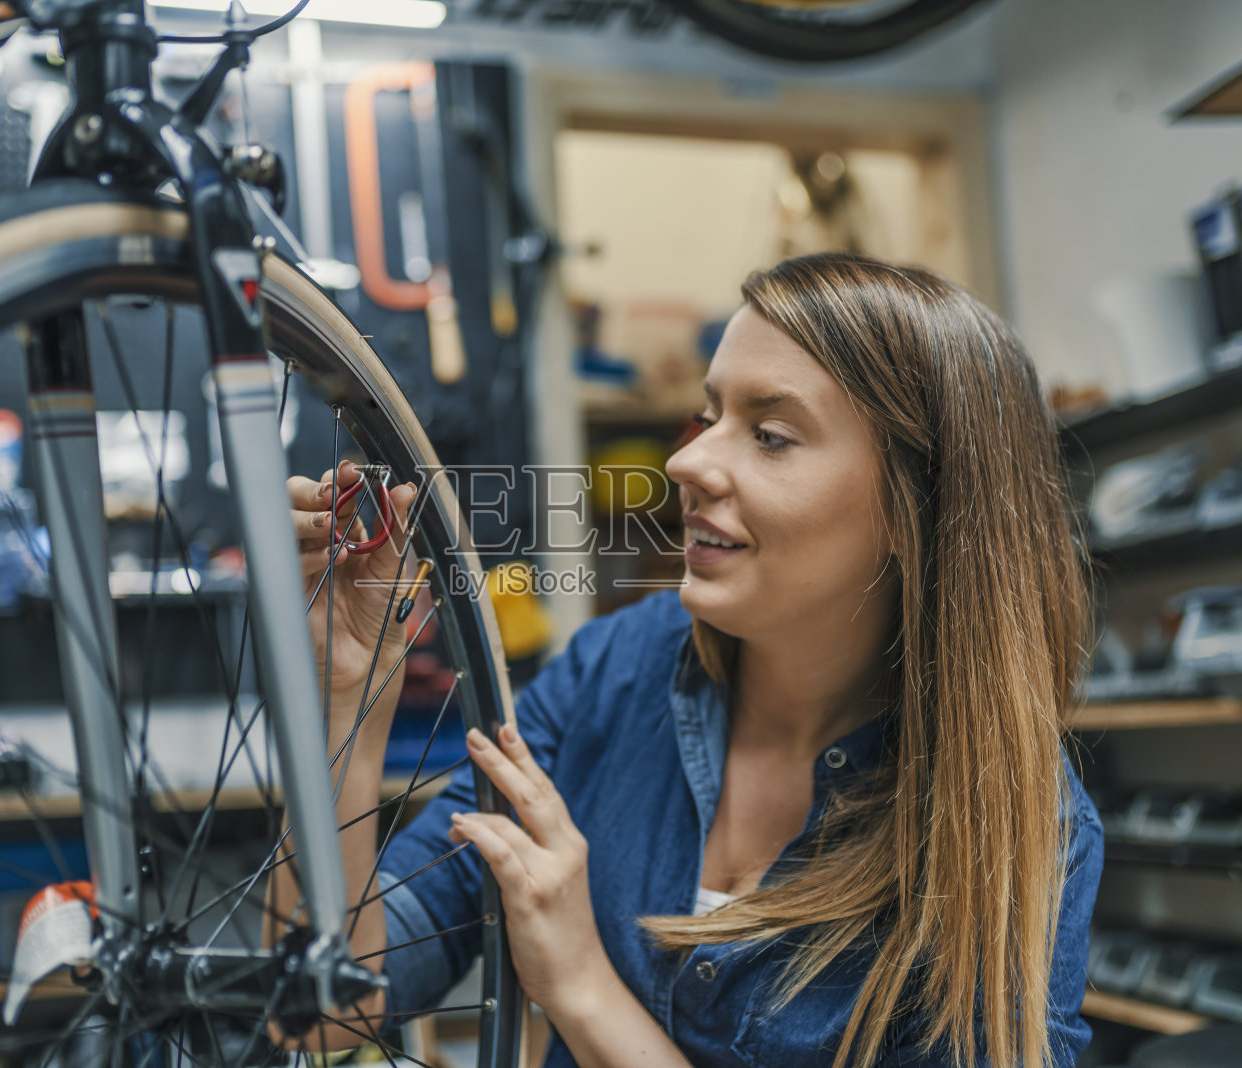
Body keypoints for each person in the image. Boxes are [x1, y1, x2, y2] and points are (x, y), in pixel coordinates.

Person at [283, 250, 1104, 1068]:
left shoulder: (1019, 832)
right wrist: (347, 687)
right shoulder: (614, 670)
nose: (686, 461)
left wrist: (581, 985)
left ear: (916, 508)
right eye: (710, 416)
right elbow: (322, 1008)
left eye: (771, 435)